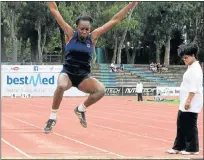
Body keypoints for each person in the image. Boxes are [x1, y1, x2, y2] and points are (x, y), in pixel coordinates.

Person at [44, 1, 140, 133]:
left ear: (89, 29)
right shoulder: (70, 34)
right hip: (68, 74)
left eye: (86, 29)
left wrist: (132, 4)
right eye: (81, 29)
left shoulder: (93, 37)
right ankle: (52, 117)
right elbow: (54, 10)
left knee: (101, 90)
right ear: (77, 27)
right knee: (60, 85)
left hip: (83, 77)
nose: (84, 31)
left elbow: (115, 19)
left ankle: (81, 109)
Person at [167, 43, 203, 155]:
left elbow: (194, 88)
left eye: (186, 57)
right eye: (183, 58)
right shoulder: (190, 68)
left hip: (191, 102)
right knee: (181, 124)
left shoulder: (196, 69)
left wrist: (188, 101)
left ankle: (192, 149)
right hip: (184, 102)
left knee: (190, 125)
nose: (184, 60)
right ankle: (178, 146)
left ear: (193, 55)